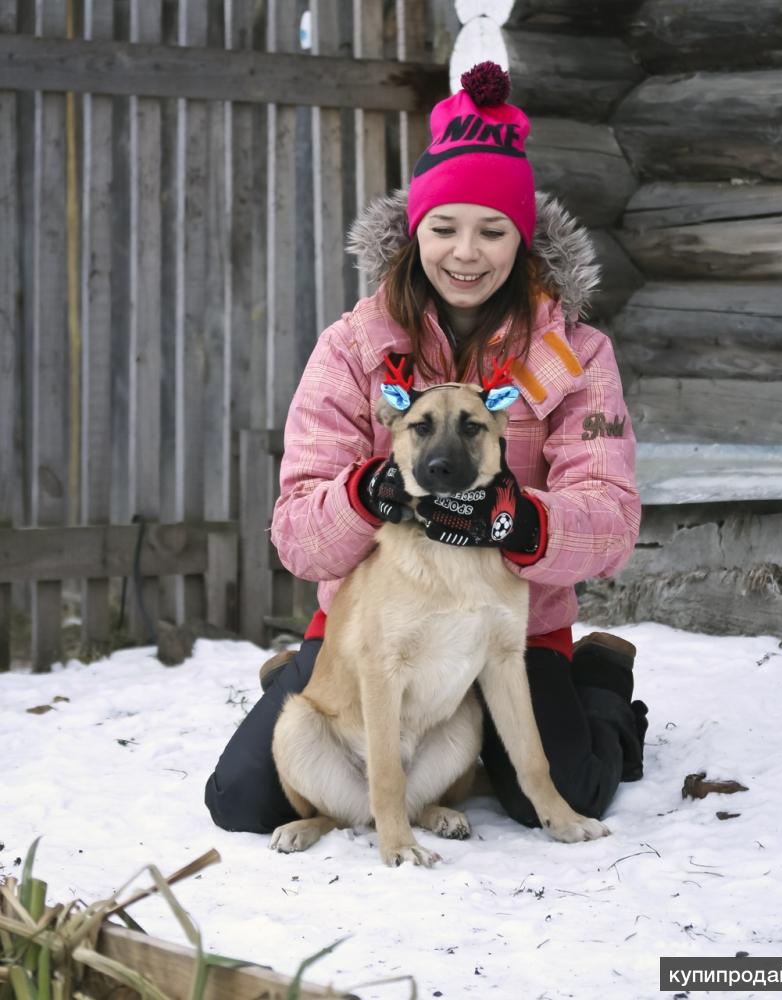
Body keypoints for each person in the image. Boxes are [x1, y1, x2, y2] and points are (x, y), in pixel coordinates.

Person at [205, 61, 648, 836]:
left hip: (508, 627)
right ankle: (297, 676)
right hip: (381, 628)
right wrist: (366, 493)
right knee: (240, 801)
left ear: (523, 236)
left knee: (572, 789)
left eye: (492, 229)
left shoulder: (577, 355)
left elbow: (611, 519)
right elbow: (298, 534)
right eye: (444, 227)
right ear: (415, 232)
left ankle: (601, 681)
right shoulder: (353, 347)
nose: (466, 253)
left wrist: (519, 521)